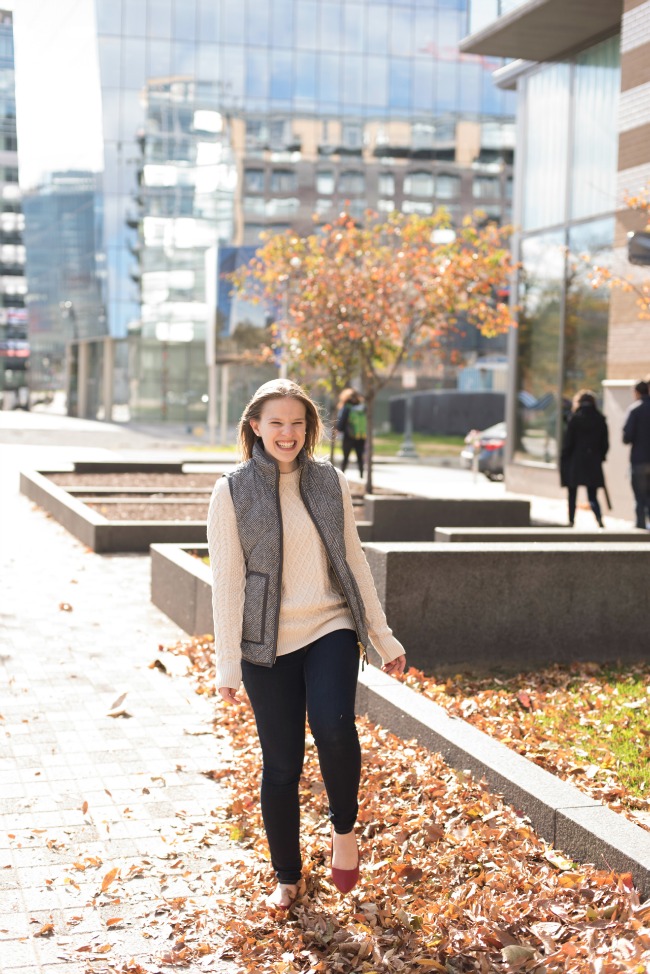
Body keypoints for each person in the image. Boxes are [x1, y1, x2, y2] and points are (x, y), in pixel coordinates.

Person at [207, 379, 406, 911]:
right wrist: (227, 663)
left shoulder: (329, 482)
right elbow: (226, 581)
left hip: (329, 626)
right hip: (264, 645)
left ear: (309, 428)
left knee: (335, 727)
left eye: (297, 423)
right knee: (281, 764)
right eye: (276, 423)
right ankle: (287, 875)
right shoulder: (231, 490)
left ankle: (344, 830)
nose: (287, 433)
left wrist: (381, 637)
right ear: (255, 426)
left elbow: (354, 560)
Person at [560, 390, 609, 528]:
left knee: (572, 493)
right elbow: (605, 444)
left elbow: (568, 442)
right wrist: (600, 457)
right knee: (592, 495)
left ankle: (571, 520)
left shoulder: (575, 418)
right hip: (593, 461)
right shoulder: (600, 419)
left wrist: (565, 458)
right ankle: (599, 518)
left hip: (575, 461)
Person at [622, 379, 650, 529]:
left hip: (639, 459)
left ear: (637, 392)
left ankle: (640, 525)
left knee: (640, 496)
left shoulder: (635, 409)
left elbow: (627, 437)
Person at [335, 387, 367, 478]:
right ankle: (361, 476)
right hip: (361, 436)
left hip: (349, 436)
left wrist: (338, 429)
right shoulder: (362, 407)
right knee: (360, 457)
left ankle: (341, 477)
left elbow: (342, 421)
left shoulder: (347, 406)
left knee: (345, 457)